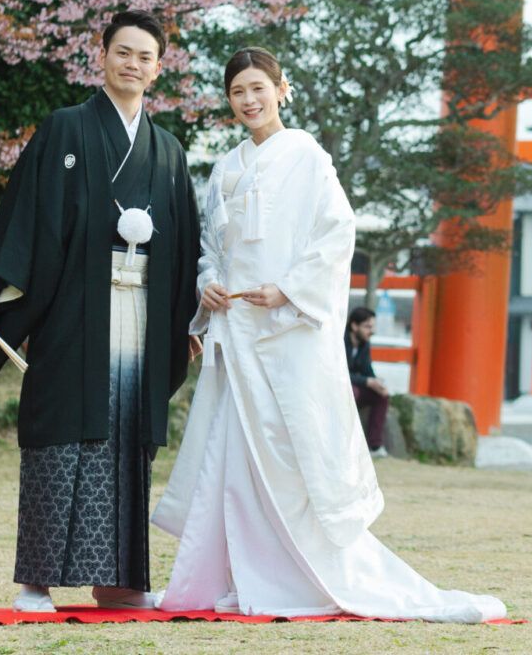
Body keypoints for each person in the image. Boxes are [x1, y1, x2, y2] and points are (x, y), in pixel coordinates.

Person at [152, 46, 505, 623]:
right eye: (238, 91)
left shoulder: (308, 156)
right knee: (233, 454)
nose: (249, 101)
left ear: (281, 88)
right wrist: (210, 284)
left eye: (258, 88)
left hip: (288, 330)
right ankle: (237, 576)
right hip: (237, 329)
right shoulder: (225, 167)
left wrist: (289, 289)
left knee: (294, 449)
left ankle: (299, 576)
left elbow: (336, 235)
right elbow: (210, 246)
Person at [0, 11, 201, 612]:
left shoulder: (167, 151)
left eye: (145, 57)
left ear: (159, 68)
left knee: (127, 437)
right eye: (123, 52)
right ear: (103, 56)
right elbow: (24, 212)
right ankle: (34, 582)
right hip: (74, 307)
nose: (133, 64)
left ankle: (119, 581)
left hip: (142, 312)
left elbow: (191, 242)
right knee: (59, 428)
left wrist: (189, 320)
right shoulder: (65, 129)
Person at [345, 306, 390, 457]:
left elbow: (367, 370)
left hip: (355, 386)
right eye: (367, 326)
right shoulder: (340, 342)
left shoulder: (365, 344)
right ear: (354, 326)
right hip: (338, 388)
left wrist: (376, 383)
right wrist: (367, 381)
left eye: (372, 326)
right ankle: (345, 444)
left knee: (381, 395)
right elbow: (338, 373)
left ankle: (375, 446)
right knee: (352, 392)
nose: (372, 330)